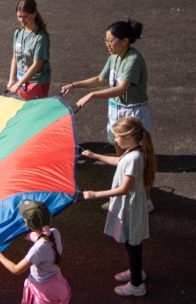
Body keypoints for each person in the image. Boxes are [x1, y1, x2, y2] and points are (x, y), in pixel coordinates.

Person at [60, 19, 154, 210]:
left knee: (137, 159)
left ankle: (145, 200)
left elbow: (122, 88)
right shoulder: (114, 57)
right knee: (121, 157)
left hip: (132, 112)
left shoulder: (133, 59)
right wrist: (75, 85)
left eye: (111, 41)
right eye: (106, 41)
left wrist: (92, 95)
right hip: (116, 110)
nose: (107, 45)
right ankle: (119, 196)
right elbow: (101, 79)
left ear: (125, 40)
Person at [82, 117, 155, 297]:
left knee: (133, 244)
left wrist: (95, 194)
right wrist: (95, 156)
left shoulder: (135, 158)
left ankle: (137, 284)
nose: (115, 140)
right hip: (130, 204)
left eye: (117, 137)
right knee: (131, 243)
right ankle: (136, 271)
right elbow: (118, 161)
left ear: (129, 136)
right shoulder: (133, 151)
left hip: (130, 206)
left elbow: (123, 189)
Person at [7, 0, 51, 100]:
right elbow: (15, 57)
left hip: (36, 83)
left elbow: (37, 65)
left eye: (25, 16)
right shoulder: (18, 33)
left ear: (34, 14)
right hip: (21, 81)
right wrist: (12, 79)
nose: (22, 20)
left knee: (35, 113)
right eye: (19, 16)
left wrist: (19, 83)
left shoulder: (40, 38)